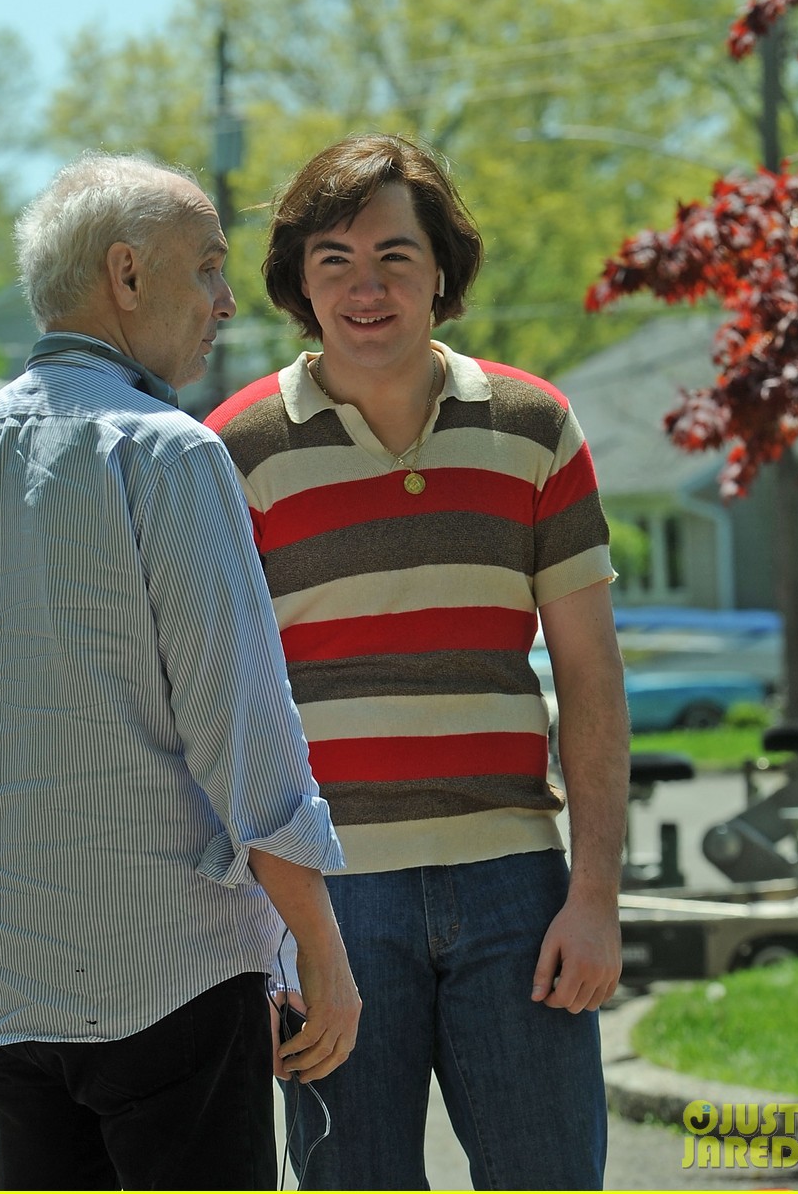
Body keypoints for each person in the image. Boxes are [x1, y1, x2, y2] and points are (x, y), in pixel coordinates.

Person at [0, 151, 361, 1192]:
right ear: (125, 274)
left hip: (11, 976)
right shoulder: (168, 451)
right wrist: (323, 958)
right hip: (174, 974)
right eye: (205, 267)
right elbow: (244, 732)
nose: (224, 300)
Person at [206, 134, 630, 1191]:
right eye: (334, 258)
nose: (366, 286)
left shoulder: (535, 426)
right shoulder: (233, 451)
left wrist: (597, 894)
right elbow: (212, 710)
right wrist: (255, 941)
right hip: (330, 904)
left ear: (442, 268)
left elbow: (591, 676)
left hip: (517, 895)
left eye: (396, 255)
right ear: (298, 280)